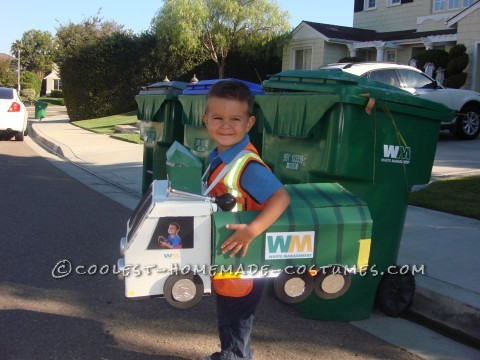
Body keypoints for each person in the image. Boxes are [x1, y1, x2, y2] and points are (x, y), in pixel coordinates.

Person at [201, 80, 290, 360]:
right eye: (218, 118)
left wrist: (251, 231)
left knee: (237, 319)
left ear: (249, 123)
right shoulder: (222, 157)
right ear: (206, 120)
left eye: (235, 119)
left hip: (244, 261)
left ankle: (235, 357)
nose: (226, 125)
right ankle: (231, 354)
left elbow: (281, 198)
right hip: (230, 258)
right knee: (230, 314)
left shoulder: (246, 166)